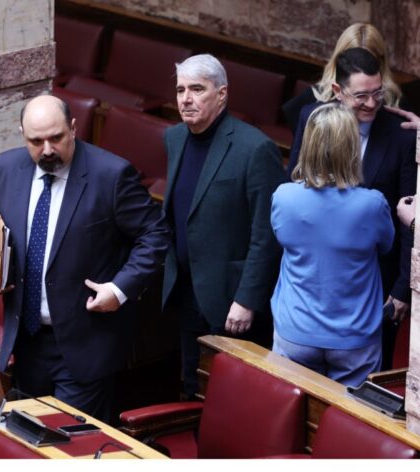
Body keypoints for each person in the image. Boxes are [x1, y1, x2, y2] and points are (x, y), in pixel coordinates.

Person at [0, 94, 169, 422]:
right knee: (27, 439)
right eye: (36, 141)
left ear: (73, 128)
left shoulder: (111, 174)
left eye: (56, 138)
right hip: (27, 341)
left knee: (69, 442)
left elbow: (156, 234)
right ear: (22, 135)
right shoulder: (7, 167)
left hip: (85, 343)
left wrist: (119, 289)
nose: (47, 150)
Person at [162, 54, 285, 399]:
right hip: (187, 290)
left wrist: (247, 299)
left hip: (231, 302)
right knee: (191, 388)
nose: (186, 99)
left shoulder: (255, 148)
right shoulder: (174, 138)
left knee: (234, 398)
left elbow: (266, 235)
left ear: (222, 94)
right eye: (180, 90)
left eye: (197, 89)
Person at [286, 48, 416, 369]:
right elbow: (296, 182)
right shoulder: (314, 119)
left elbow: (408, 213)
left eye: (378, 93)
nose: (371, 103)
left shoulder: (400, 135)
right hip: (314, 281)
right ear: (337, 91)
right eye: (361, 96)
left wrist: (402, 288)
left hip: (376, 284)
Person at [271, 103, 394, 386]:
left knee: (289, 408)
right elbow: (385, 245)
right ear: (352, 148)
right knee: (348, 413)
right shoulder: (372, 204)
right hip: (354, 336)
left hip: (296, 329)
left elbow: (281, 238)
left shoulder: (283, 197)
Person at [282, 22, 403, 132]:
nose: (370, 104)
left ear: (381, 63)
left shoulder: (394, 102)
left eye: (369, 61)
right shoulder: (312, 102)